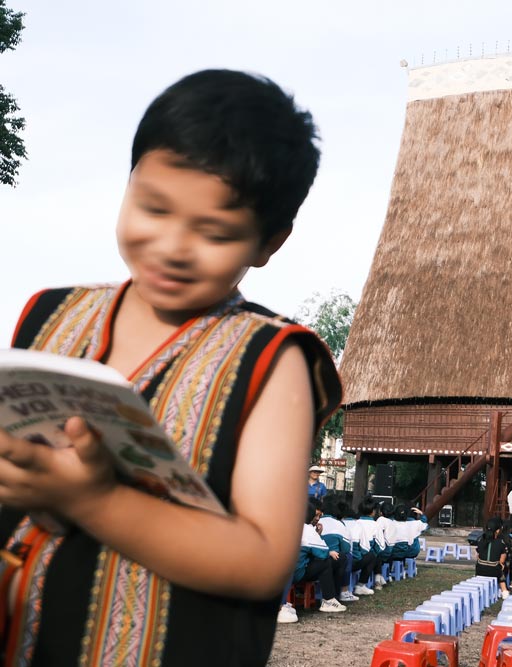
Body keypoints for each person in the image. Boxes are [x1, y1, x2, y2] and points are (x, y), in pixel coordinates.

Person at [0, 69, 341, 665]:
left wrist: (92, 500)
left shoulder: (273, 358)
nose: (172, 247)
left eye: (214, 232)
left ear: (269, 243)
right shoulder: (49, 314)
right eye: (153, 208)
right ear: (128, 184)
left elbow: (263, 562)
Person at [293, 506, 347, 614]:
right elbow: (323, 553)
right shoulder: (307, 529)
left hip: (282, 573)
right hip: (297, 574)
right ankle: (329, 600)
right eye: (316, 515)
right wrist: (329, 551)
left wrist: (317, 535)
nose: (318, 518)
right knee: (326, 562)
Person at [477, 517, 511, 599]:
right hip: (494, 571)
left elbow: (478, 555)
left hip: (480, 570)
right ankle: (504, 591)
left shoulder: (481, 540)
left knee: (481, 564)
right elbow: (502, 560)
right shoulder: (501, 543)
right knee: (501, 569)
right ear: (498, 530)